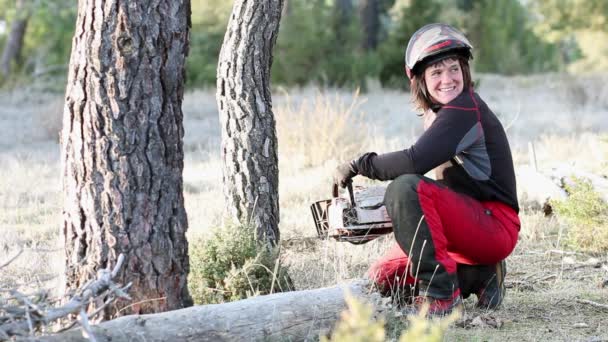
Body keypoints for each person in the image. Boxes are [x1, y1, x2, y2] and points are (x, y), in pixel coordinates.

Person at [332, 23, 520, 316]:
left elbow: (413, 162)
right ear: (420, 80)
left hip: (494, 225)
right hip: (469, 221)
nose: (448, 78)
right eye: (436, 72)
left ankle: (442, 297)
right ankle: (482, 275)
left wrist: (359, 164)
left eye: (454, 68)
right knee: (382, 278)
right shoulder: (443, 114)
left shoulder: (465, 110)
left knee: (405, 186)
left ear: (465, 71)